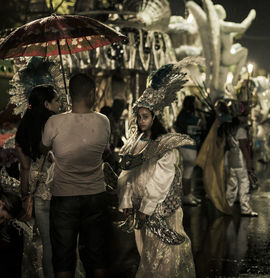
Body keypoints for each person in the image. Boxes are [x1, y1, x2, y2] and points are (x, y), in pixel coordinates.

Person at [117, 60, 196, 277]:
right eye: (139, 117)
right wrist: (126, 201)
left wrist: (146, 208)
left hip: (160, 209)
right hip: (139, 208)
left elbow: (162, 178)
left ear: (155, 117)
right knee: (145, 254)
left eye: (145, 117)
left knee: (164, 257)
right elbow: (127, 175)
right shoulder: (134, 142)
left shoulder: (164, 145)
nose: (141, 121)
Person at [40, 73, 111, 278]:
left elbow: (43, 147)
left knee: (63, 257)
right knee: (99, 255)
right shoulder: (103, 122)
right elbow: (103, 150)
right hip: (96, 195)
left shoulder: (54, 122)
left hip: (64, 198)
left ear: (69, 95)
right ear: (91, 94)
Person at [15, 85, 60, 278]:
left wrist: (25, 195)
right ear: (46, 104)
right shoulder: (53, 128)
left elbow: (25, 169)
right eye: (56, 100)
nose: (59, 103)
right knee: (61, 242)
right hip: (58, 192)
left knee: (46, 242)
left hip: (37, 195)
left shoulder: (23, 129)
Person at [224, 112, 258, 217]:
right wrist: (249, 161)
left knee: (232, 184)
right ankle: (245, 208)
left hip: (232, 159)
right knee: (244, 184)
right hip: (240, 160)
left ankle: (228, 205)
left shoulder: (230, 131)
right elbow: (243, 147)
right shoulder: (241, 130)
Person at [175, 95, 202, 206]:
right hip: (190, 147)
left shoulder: (181, 116)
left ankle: (187, 194)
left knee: (185, 172)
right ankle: (186, 196)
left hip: (182, 146)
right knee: (188, 173)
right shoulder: (194, 118)